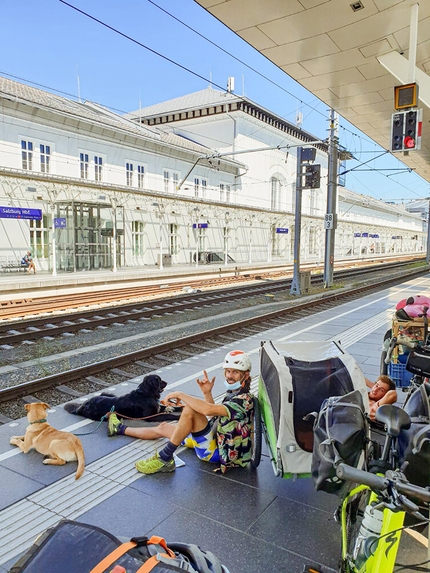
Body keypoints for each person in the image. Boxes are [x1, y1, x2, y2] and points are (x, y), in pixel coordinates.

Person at [107, 350, 254, 475]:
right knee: (163, 427)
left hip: (219, 453)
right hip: (216, 438)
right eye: (228, 371)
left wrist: (180, 395)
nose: (229, 376)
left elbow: (207, 410)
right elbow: (214, 415)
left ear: (245, 376)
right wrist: (207, 393)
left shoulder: (244, 401)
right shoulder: (234, 393)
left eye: (235, 372)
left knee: (191, 410)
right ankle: (119, 429)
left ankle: (165, 458)